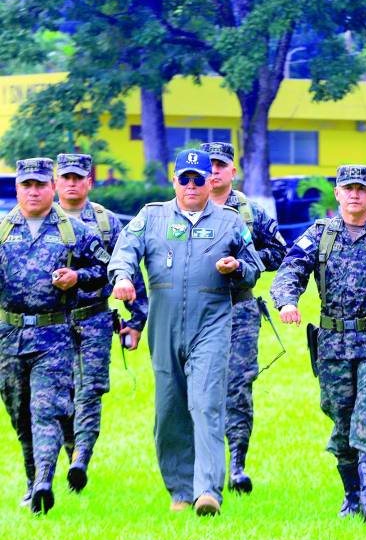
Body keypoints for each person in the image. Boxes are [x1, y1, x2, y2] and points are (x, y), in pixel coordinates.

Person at [108, 149, 261, 517]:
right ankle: (180, 489)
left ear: (211, 181)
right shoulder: (152, 216)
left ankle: (208, 490)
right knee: (169, 409)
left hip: (211, 321)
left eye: (199, 179)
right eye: (184, 179)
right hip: (164, 321)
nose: (191, 186)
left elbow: (254, 267)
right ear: (173, 181)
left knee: (206, 403)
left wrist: (237, 266)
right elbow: (125, 249)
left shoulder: (229, 220)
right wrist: (124, 277)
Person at [271, 165, 366, 522]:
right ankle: (351, 495)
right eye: (348, 188)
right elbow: (290, 270)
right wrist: (288, 301)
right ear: (337, 194)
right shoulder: (319, 235)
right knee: (341, 418)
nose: (355, 194)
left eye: (362, 189)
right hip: (333, 344)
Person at [0, 157, 110, 514]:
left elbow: (105, 271)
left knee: (45, 409)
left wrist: (78, 278)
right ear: (17, 189)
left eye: (40, 185)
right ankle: (33, 480)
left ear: (52, 188)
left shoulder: (75, 231)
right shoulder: (3, 230)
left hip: (54, 336)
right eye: (26, 186)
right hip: (8, 335)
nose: (33, 192)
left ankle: (45, 481)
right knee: (20, 416)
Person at [55, 153, 148, 493]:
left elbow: (129, 271)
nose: (71, 183)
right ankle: (70, 451)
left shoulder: (107, 223)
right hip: (50, 327)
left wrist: (136, 321)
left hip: (93, 319)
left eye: (78, 177)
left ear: (89, 182)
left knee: (90, 392)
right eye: (65, 177)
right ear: (56, 182)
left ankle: (81, 456)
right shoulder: (43, 219)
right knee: (59, 395)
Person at [202, 142, 287, 494]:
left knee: (237, 385)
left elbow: (279, 252)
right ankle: (205, 465)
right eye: (207, 166)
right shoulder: (186, 208)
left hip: (239, 308)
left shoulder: (250, 213)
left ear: (232, 171)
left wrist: (245, 263)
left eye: (220, 165)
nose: (213, 172)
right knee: (200, 387)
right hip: (197, 311)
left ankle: (237, 463)